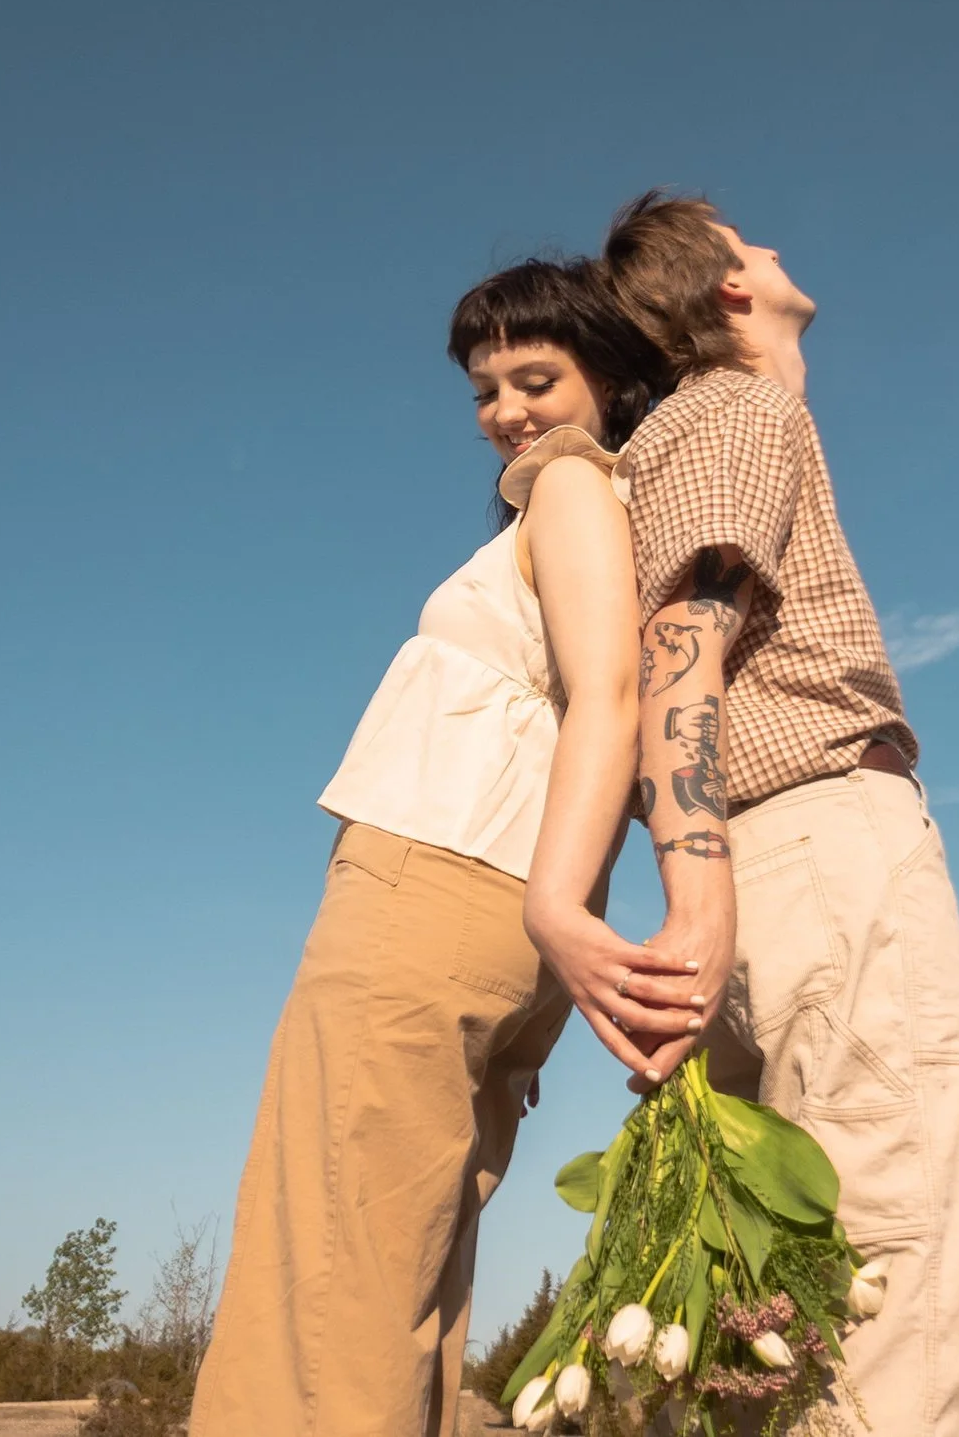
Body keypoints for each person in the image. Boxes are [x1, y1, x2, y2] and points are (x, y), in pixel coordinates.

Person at [188, 257, 700, 1437]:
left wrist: (556, 903)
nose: (508, 411)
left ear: (611, 380)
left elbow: (606, 695)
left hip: (437, 882)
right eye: (486, 389)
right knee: (402, 1266)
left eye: (538, 376)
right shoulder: (610, 511)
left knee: (326, 1257)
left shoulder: (573, 485)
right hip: (498, 902)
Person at [588, 191, 959, 1433]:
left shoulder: (673, 440)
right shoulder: (738, 407)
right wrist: (701, 888)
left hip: (745, 862)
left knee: (754, 1321)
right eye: (749, 237)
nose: (775, 248)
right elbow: (680, 644)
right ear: (727, 290)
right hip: (811, 842)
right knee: (895, 1257)